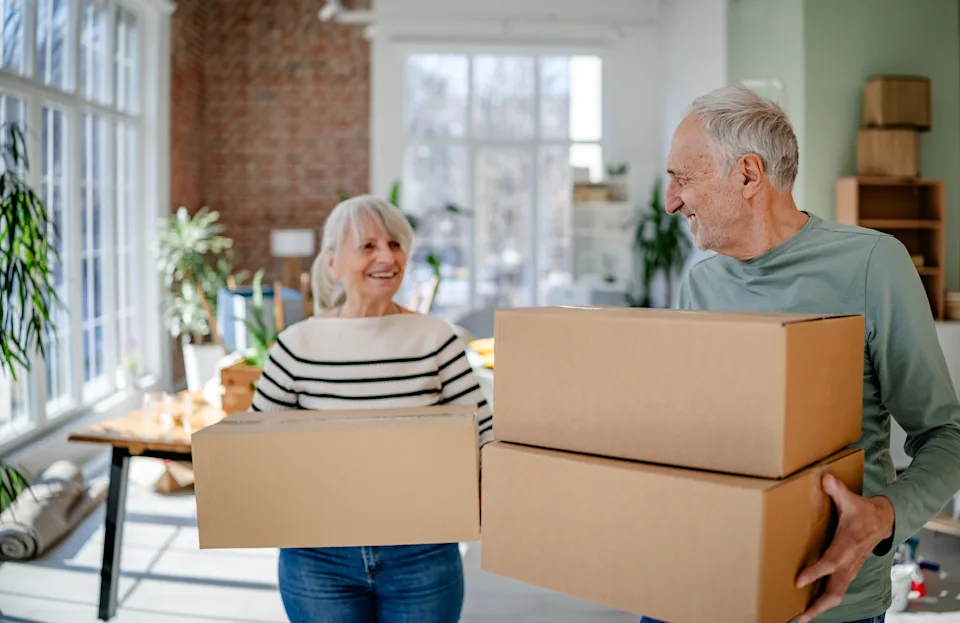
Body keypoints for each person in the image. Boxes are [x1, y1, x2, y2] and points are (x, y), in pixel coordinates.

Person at [644, 84, 960, 623]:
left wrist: (884, 515)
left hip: (824, 603)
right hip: (702, 585)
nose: (671, 200)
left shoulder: (872, 263)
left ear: (747, 174)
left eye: (682, 177)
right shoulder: (700, 285)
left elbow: (945, 436)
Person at [249, 195, 494, 623]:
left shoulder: (438, 340)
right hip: (317, 557)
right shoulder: (296, 346)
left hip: (422, 551)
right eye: (367, 246)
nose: (386, 256)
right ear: (332, 263)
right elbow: (253, 451)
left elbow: (484, 440)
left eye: (396, 244)